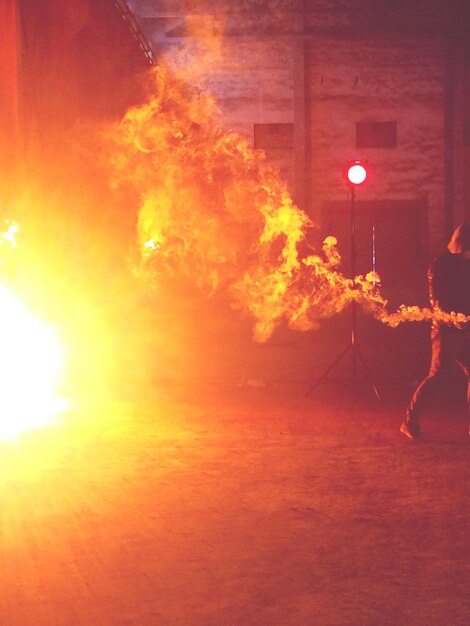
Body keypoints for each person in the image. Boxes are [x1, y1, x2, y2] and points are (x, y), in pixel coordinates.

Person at [400, 220, 470, 439]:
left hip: (465, 328)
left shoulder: (464, 263)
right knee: (437, 375)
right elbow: (440, 303)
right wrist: (456, 319)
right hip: (446, 330)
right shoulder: (440, 266)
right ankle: (409, 422)